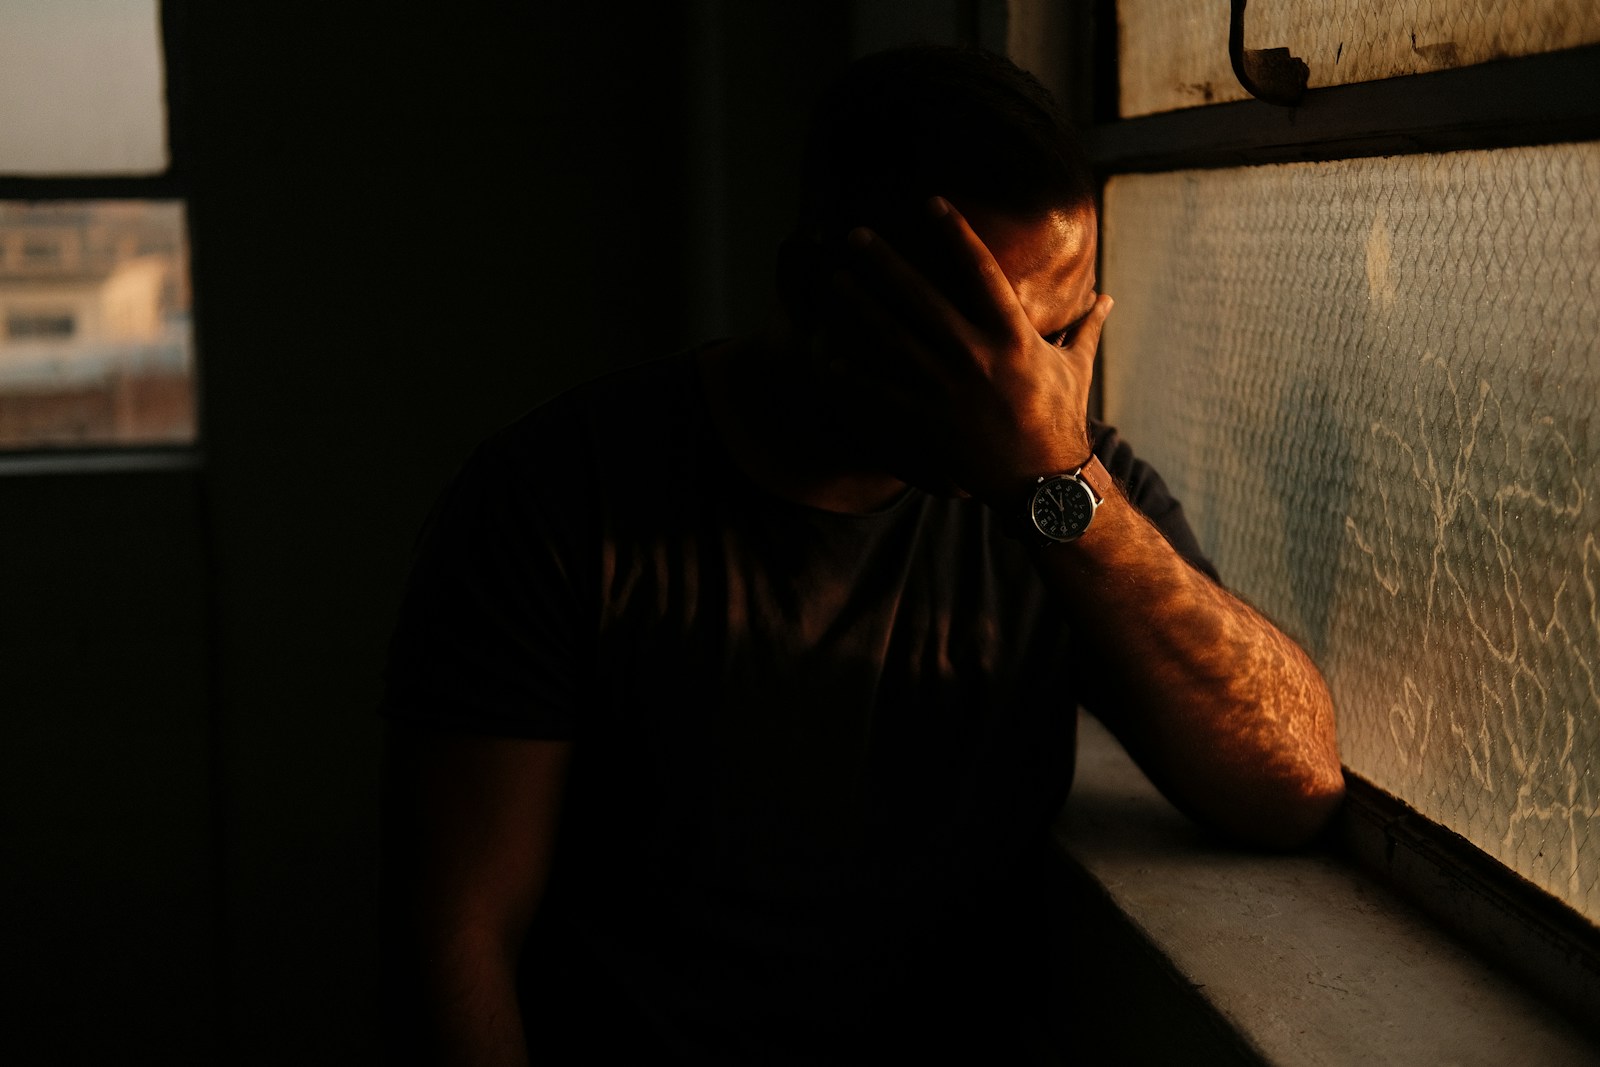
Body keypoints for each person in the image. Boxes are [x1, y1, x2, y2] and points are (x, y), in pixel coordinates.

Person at [379, 44, 1343, 1065]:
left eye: (1054, 341)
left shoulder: (1062, 484)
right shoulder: (555, 500)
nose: (1025, 392)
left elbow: (1291, 782)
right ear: (816, 290)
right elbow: (457, 938)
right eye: (978, 340)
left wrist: (1059, 490)